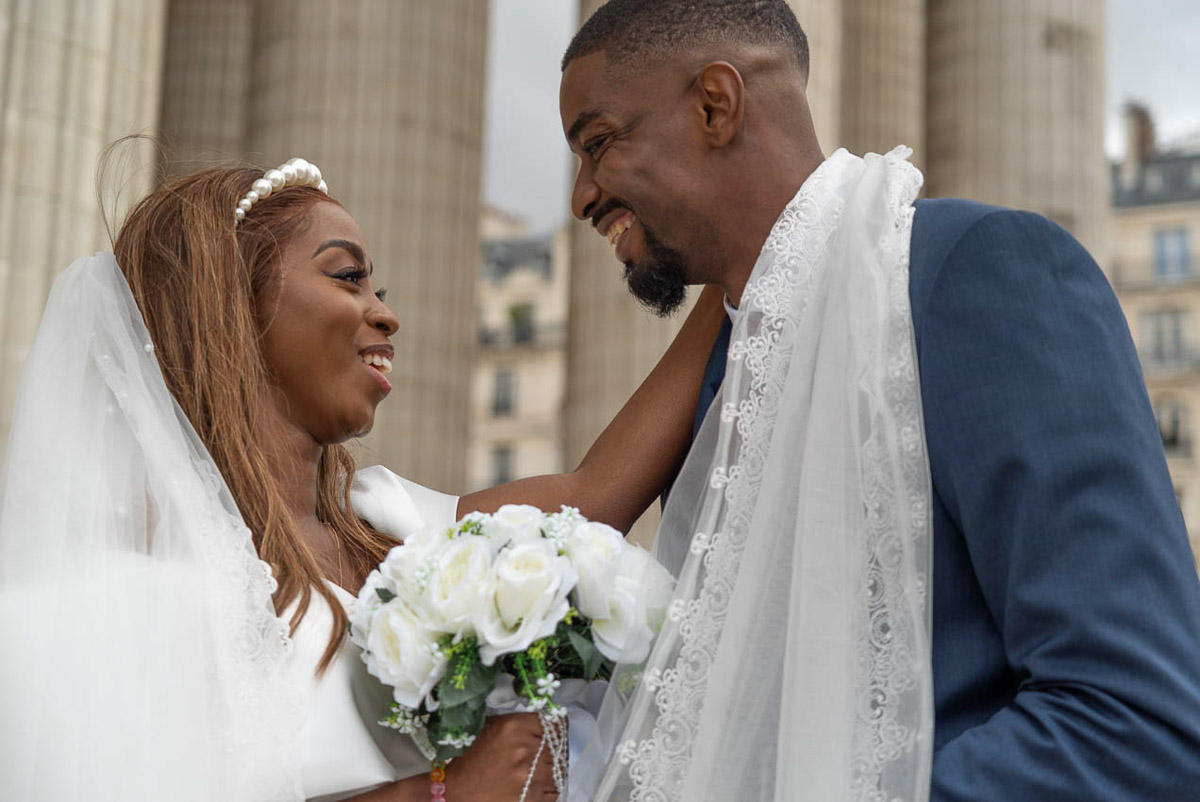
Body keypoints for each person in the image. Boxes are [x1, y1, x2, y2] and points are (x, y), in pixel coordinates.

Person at [559, 1, 1200, 800]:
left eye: (597, 144)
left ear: (715, 105)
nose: (580, 196)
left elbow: (1136, 716)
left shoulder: (983, 274)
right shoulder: (722, 368)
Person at [0, 158, 725, 801]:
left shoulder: (389, 521)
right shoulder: (126, 577)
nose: (387, 314)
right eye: (349, 276)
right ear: (227, 301)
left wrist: (747, 258)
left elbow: (592, 499)